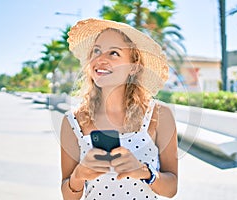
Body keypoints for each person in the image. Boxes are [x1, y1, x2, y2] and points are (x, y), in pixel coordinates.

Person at [60, 18, 178, 200]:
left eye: (113, 53)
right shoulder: (72, 122)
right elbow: (68, 196)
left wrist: (145, 172)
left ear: (134, 67)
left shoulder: (160, 115)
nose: (100, 59)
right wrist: (78, 176)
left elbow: (171, 189)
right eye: (96, 51)